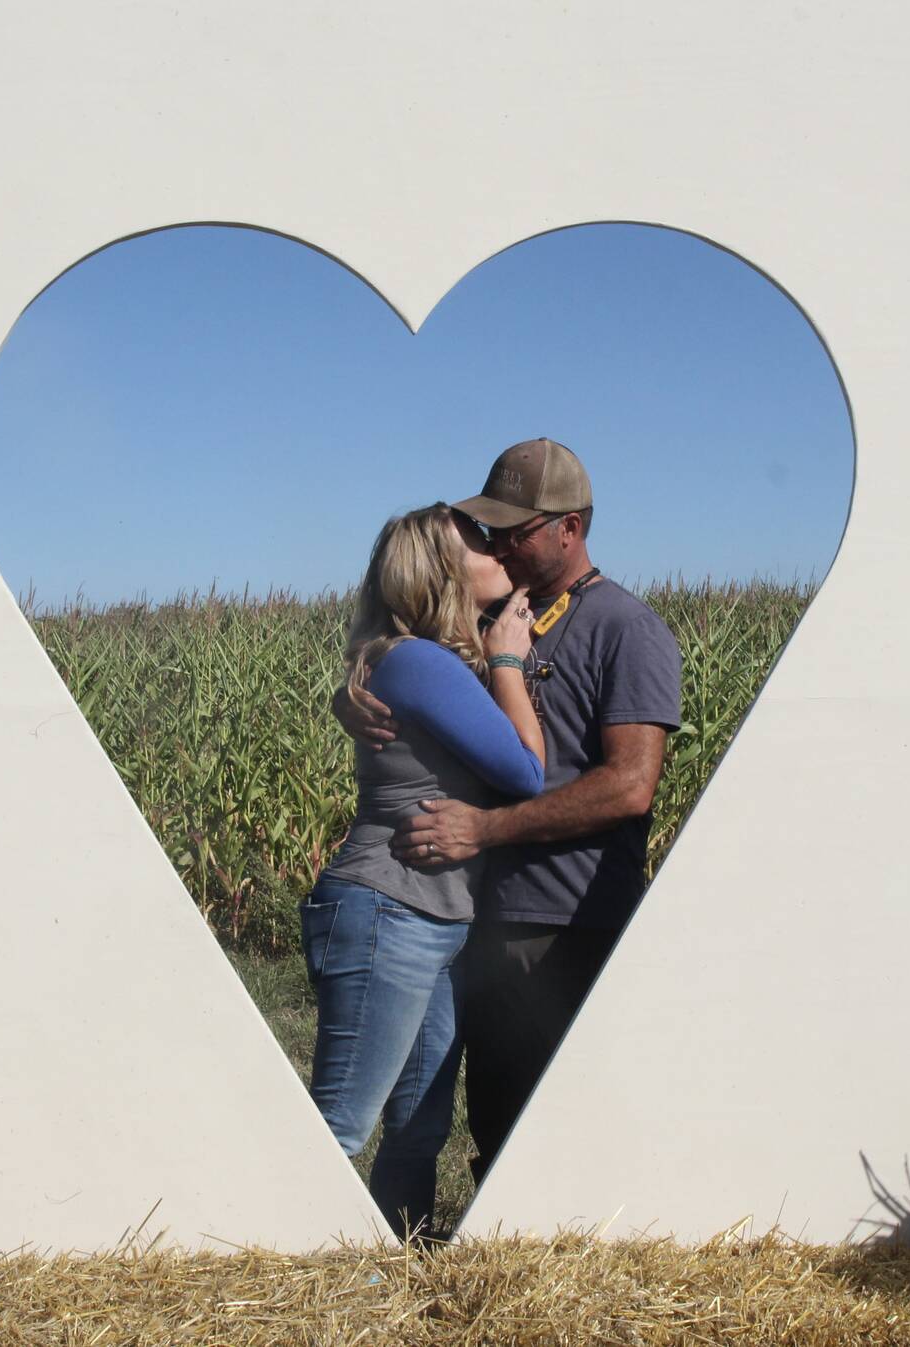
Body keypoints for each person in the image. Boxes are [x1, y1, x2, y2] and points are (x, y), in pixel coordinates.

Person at [341, 438, 682, 1182]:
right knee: (490, 1121)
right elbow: (415, 655)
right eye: (488, 529)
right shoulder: (500, 616)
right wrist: (355, 689)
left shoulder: (624, 628)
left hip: (565, 922)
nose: (497, 545)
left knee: (556, 1127)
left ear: (571, 528)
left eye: (514, 530)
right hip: (480, 917)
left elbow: (630, 786)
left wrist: (487, 828)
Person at [304, 503, 544, 1238]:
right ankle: (264, 1266)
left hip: (431, 918)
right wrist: (508, 663)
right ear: (441, 572)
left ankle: (398, 1259)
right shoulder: (419, 661)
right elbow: (526, 772)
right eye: (476, 542)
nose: (495, 548)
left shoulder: (417, 659)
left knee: (420, 1123)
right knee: (338, 1126)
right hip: (389, 909)